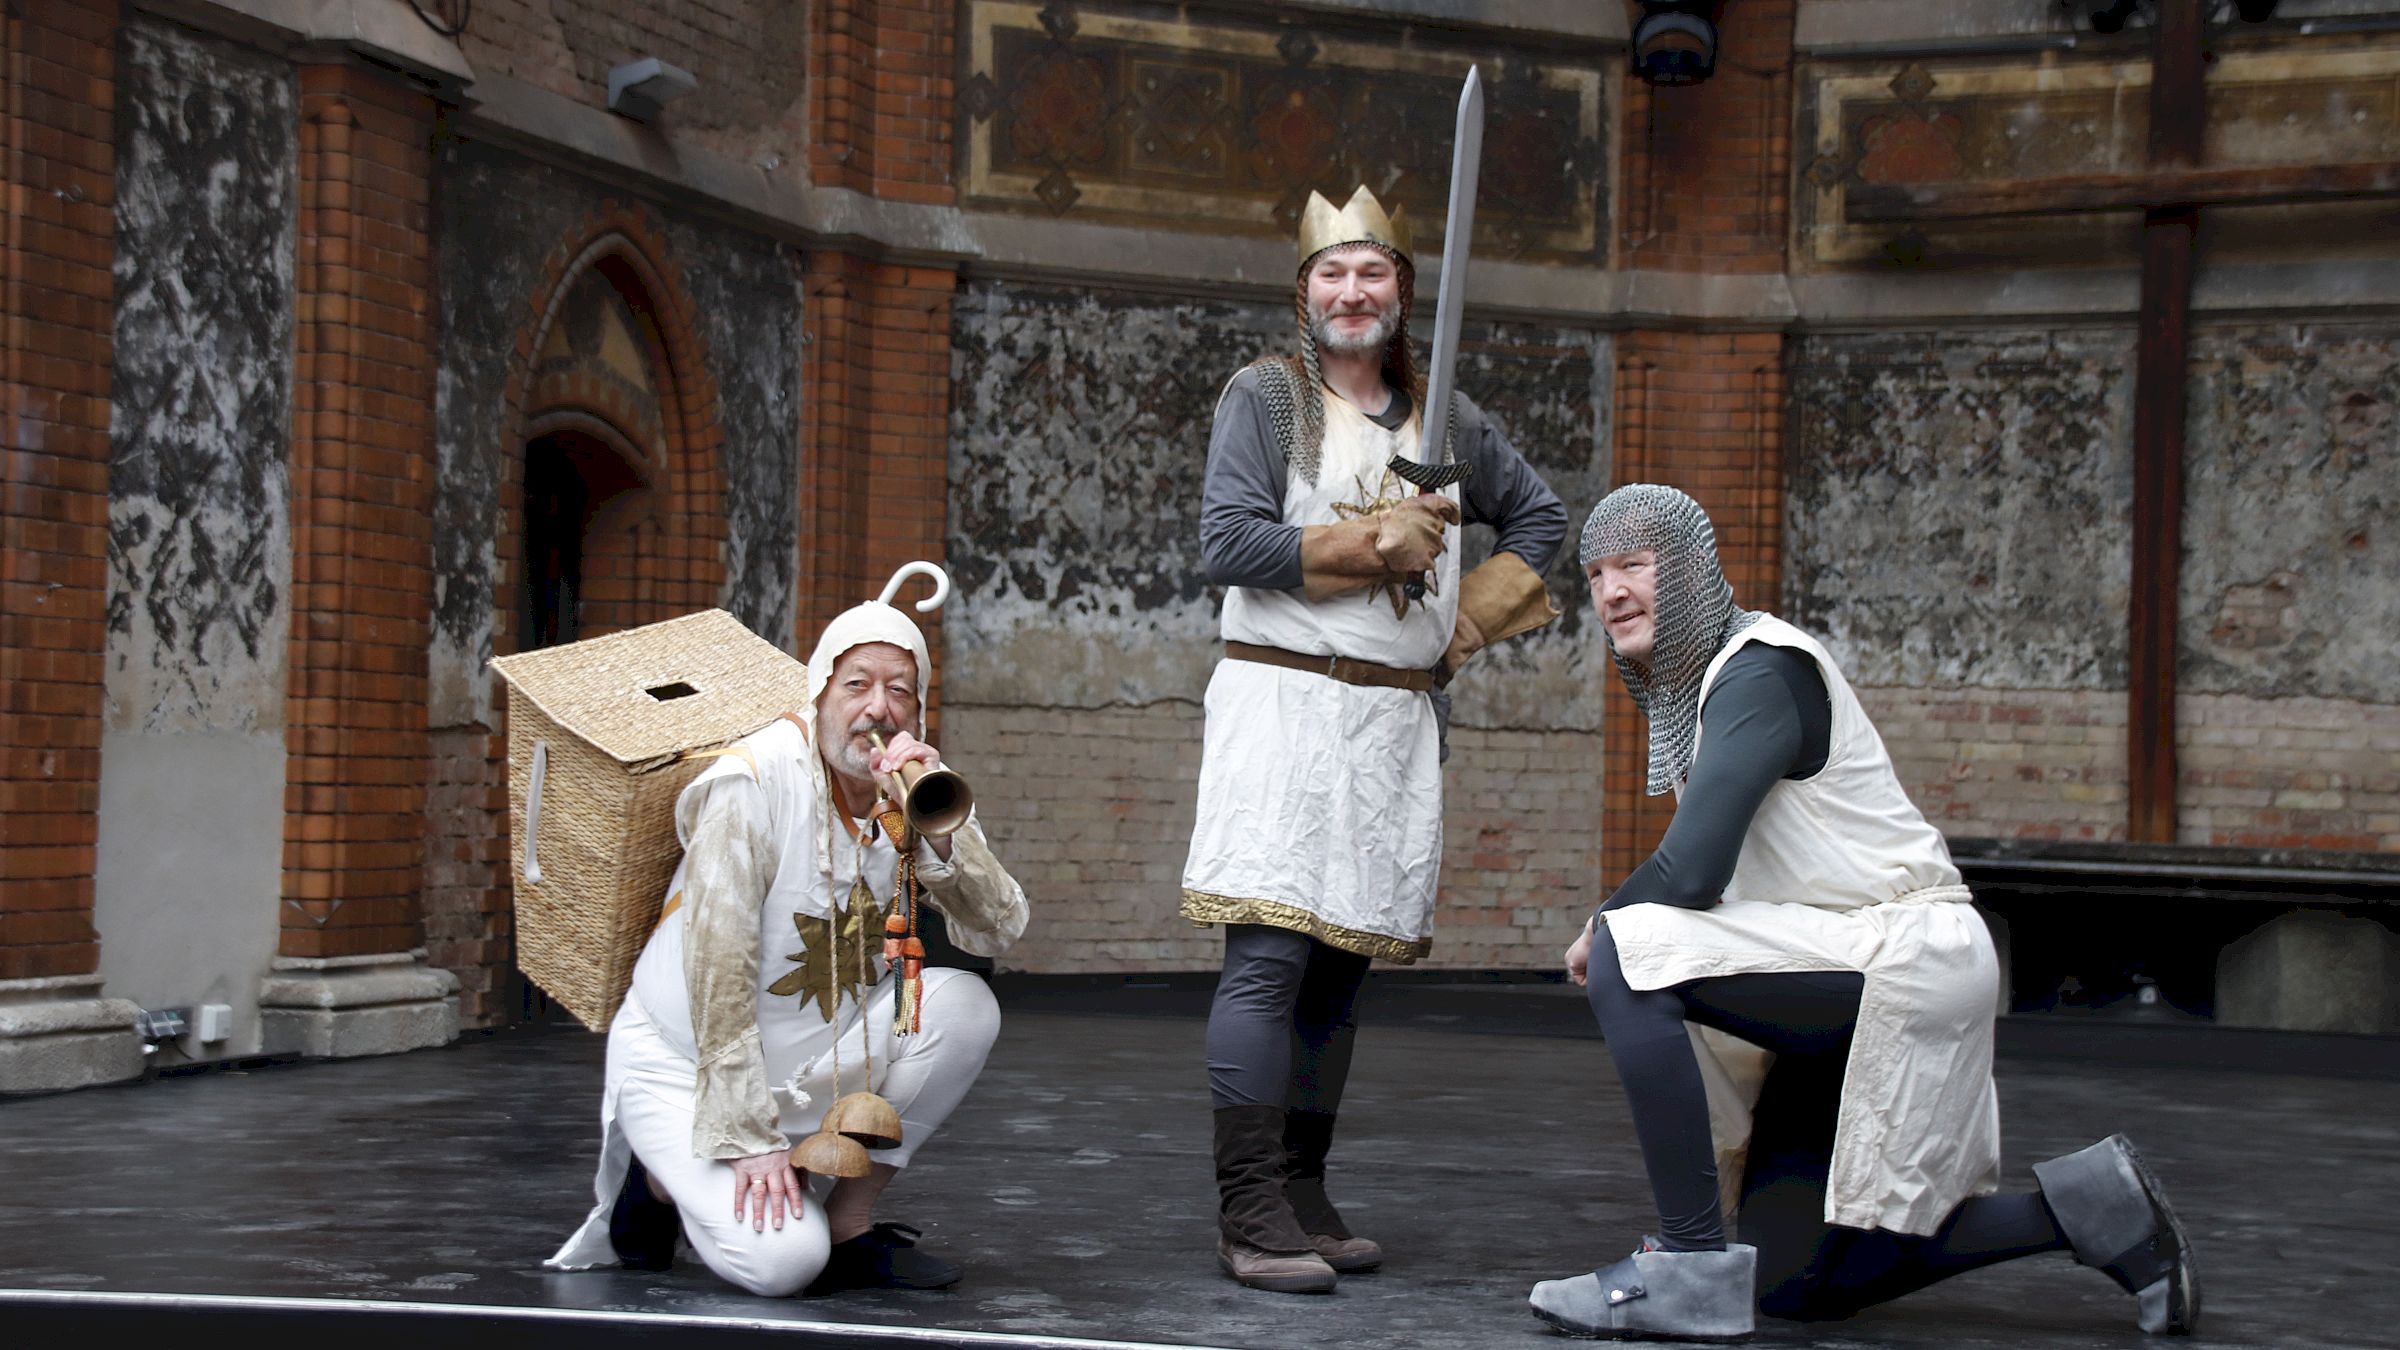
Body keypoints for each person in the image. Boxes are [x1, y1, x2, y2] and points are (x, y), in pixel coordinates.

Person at [1527, 484, 2199, 1340]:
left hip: (1903, 954)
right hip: (1849, 960)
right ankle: (2090, 1213)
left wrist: (1601, 925)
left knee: (1630, 943)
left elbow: (1690, 874)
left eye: (1635, 564)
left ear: (1691, 571)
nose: (1611, 590)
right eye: (1595, 573)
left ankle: (1688, 1262)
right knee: (1793, 1280)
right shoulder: (1713, 689)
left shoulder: (1760, 670)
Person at [1183, 184, 1570, 1293]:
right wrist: (1370, 540)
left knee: (1342, 968)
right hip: (1283, 703)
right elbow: (1229, 540)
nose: (1351, 292)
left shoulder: (1446, 420)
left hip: (1394, 718)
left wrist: (1459, 631)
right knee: (1269, 957)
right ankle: (1249, 1208)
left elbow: (1542, 519)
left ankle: (1303, 1189)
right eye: (1330, 274)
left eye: (1372, 273)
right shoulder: (1266, 397)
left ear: (1403, 291)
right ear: (1303, 293)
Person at [547, 595, 1029, 1298]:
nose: (878, 709)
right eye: (857, 684)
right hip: (692, 1066)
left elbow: (999, 927)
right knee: (781, 1266)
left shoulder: (917, 783)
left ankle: (848, 1226)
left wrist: (942, 839)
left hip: (818, 1057)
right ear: (820, 692)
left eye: (901, 690)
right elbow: (716, 965)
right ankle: (655, 1179)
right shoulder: (754, 780)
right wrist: (746, 1135)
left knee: (966, 1009)